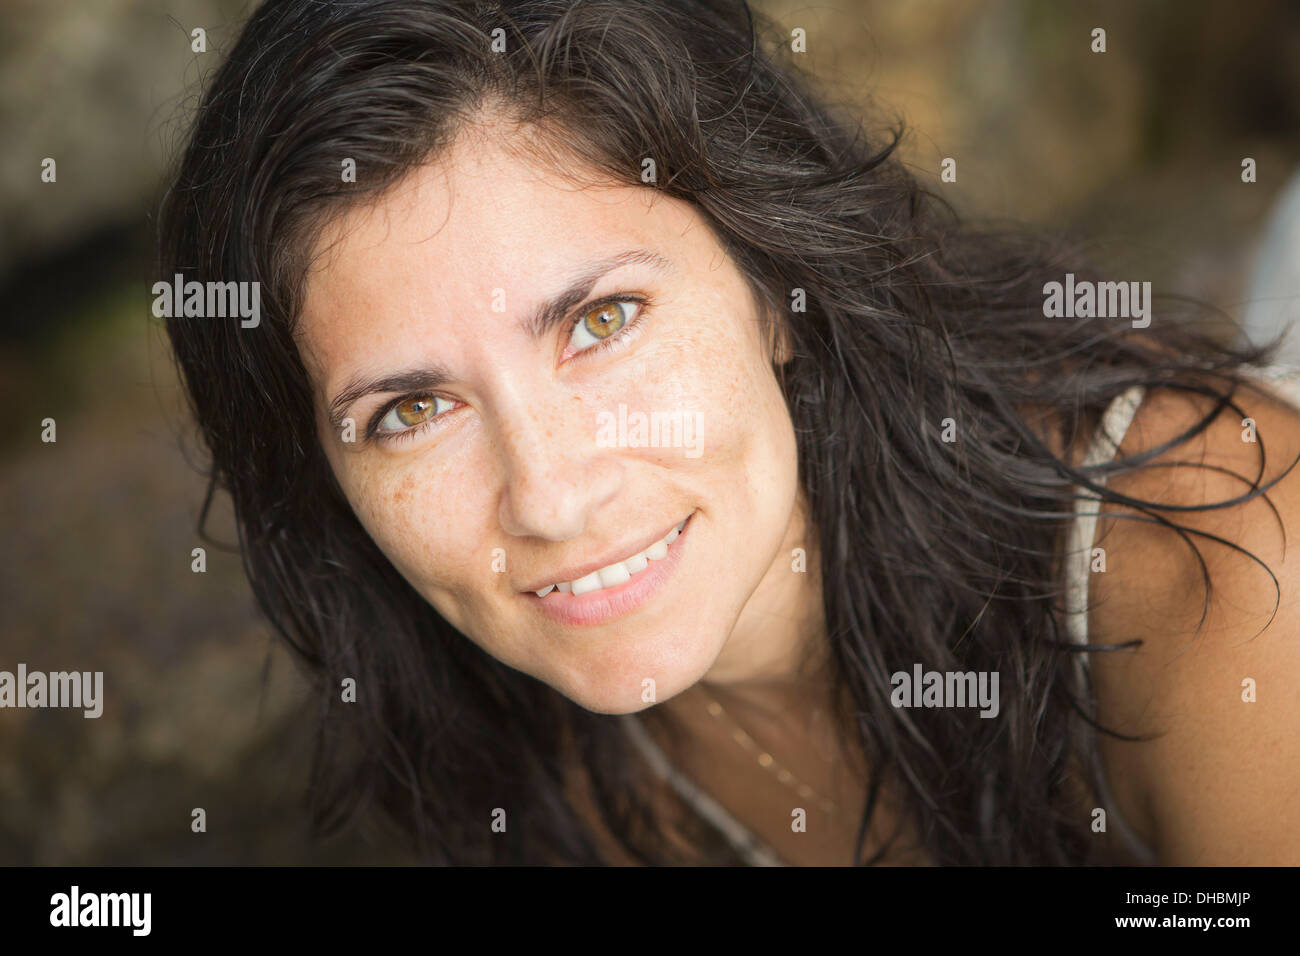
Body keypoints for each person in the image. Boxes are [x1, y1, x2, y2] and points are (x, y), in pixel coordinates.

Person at [158, 0, 1300, 865]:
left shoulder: (1214, 564)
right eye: (410, 410)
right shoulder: (532, 754)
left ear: (774, 284)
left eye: (601, 321)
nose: (549, 497)